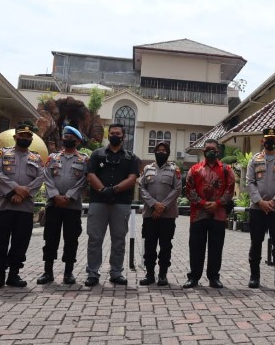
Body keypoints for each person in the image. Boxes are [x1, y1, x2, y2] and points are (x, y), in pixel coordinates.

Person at [84, 123, 141, 287]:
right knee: (95, 238)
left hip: (121, 203)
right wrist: (103, 190)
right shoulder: (97, 154)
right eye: (112, 133)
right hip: (98, 201)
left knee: (118, 239)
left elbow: (132, 179)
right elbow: (90, 175)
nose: (115, 135)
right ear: (108, 136)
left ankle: (116, 273)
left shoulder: (131, 157)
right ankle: (93, 273)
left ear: (124, 136)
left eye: (118, 133)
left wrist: (114, 190)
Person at [0, 121, 45, 289]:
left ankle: (14, 275)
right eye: (22, 135)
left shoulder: (36, 158)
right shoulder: (1, 154)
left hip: (24, 208)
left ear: (31, 138)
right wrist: (15, 190)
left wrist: (24, 193)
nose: (25, 138)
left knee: (20, 243)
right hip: (3, 206)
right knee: (0, 242)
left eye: (28, 136)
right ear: (15, 137)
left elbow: (40, 178)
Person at [37, 126, 89, 285]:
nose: (67, 139)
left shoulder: (84, 160)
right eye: (65, 136)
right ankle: (48, 272)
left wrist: (69, 196)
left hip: (72, 207)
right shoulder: (53, 158)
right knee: (51, 238)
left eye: (71, 137)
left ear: (78, 141)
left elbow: (84, 180)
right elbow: (46, 176)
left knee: (71, 239)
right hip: (54, 205)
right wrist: (55, 196)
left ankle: (68, 273)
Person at [183, 139, 235, 288]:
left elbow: (230, 190)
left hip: (218, 215)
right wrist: (203, 203)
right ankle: (194, 277)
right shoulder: (194, 169)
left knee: (216, 247)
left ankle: (214, 277)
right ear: (203, 151)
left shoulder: (226, 169)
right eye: (208, 148)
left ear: (218, 151)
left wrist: (217, 204)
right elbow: (189, 190)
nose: (210, 150)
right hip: (198, 214)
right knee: (196, 247)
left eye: (213, 148)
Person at [246, 128, 275, 289]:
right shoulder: (254, 160)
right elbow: (250, 182)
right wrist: (260, 202)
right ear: (262, 141)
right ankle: (254, 276)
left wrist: (274, 201)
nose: (270, 142)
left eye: (273, 139)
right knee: (256, 242)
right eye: (267, 139)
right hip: (257, 209)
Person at [138, 141, 181, 286]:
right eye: (159, 150)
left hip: (167, 216)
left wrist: (162, 206)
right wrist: (154, 204)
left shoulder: (174, 169)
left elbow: (177, 189)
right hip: (150, 215)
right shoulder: (147, 168)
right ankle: (149, 274)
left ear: (168, 153)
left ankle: (163, 274)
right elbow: (141, 187)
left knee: (165, 246)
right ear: (155, 152)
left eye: (164, 150)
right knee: (149, 245)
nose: (161, 152)